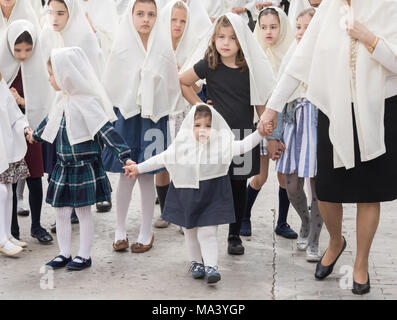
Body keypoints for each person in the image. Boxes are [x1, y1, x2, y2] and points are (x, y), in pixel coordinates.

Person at [260, 0, 397, 295]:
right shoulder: (327, 11)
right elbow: (299, 62)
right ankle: (336, 241)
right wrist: (272, 108)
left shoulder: (388, 6)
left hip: (378, 108)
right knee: (327, 189)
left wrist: (370, 39)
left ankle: (360, 264)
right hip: (334, 108)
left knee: (369, 191)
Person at [125, 104, 266, 283]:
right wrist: (138, 168)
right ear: (189, 127)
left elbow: (242, 146)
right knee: (190, 232)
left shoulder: (221, 145)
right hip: (187, 194)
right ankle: (196, 262)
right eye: (197, 125)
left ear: (215, 128)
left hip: (213, 195)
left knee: (207, 233)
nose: (203, 130)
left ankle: (212, 266)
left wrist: (260, 133)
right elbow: (161, 159)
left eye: (208, 126)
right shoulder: (182, 146)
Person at [179, 13, 275, 255]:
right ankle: (205, 230)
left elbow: (261, 104)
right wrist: (200, 108)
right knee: (210, 182)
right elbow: (183, 81)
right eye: (221, 37)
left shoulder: (249, 69)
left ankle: (234, 235)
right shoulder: (209, 64)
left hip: (243, 134)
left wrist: (270, 136)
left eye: (232, 38)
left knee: (237, 185)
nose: (225, 42)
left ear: (241, 41)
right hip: (215, 137)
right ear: (214, 39)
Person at [30, 47, 132, 271]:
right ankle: (64, 253)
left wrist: (124, 155)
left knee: (84, 211)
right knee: (62, 211)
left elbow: (105, 130)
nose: (49, 79)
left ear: (66, 74)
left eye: (52, 74)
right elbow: (49, 123)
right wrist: (34, 135)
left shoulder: (86, 102)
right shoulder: (61, 100)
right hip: (64, 166)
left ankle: (84, 255)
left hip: (84, 166)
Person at [102, 0, 181, 253]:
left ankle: (146, 231)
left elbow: (171, 85)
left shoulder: (163, 49)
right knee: (127, 172)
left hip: (154, 117)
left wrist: (152, 83)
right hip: (127, 115)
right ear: (131, 16)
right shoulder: (122, 47)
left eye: (151, 14)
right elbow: (111, 84)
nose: (145, 19)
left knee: (147, 174)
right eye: (140, 14)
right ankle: (120, 229)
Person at [271, 7, 323, 262]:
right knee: (291, 185)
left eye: (308, 28)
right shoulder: (291, 58)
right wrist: (276, 135)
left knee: (320, 189)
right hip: (294, 127)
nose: (302, 33)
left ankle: (314, 238)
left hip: (318, 129)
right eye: (299, 28)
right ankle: (304, 220)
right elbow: (279, 98)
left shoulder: (326, 59)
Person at [241, 6, 295, 238]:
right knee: (260, 177)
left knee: (284, 177)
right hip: (264, 124)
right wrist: (271, 134)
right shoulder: (256, 56)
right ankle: (244, 216)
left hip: (289, 123)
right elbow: (258, 97)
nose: (268, 32)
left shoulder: (291, 53)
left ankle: (282, 222)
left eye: (273, 27)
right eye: (263, 27)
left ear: (282, 28)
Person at [0, 19, 54, 243]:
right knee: (10, 179)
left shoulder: (39, 65)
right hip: (8, 129)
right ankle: (11, 229)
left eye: (28, 49)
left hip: (32, 129)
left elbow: (45, 98)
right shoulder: (3, 65)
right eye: (18, 49)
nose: (23, 55)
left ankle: (36, 226)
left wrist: (21, 100)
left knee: (34, 176)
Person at [0, 71, 31, 256]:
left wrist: (25, 127)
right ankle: (1, 239)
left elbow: (14, 114)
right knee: (1, 191)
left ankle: (7, 235)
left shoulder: (1, 85)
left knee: (9, 190)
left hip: (5, 147)